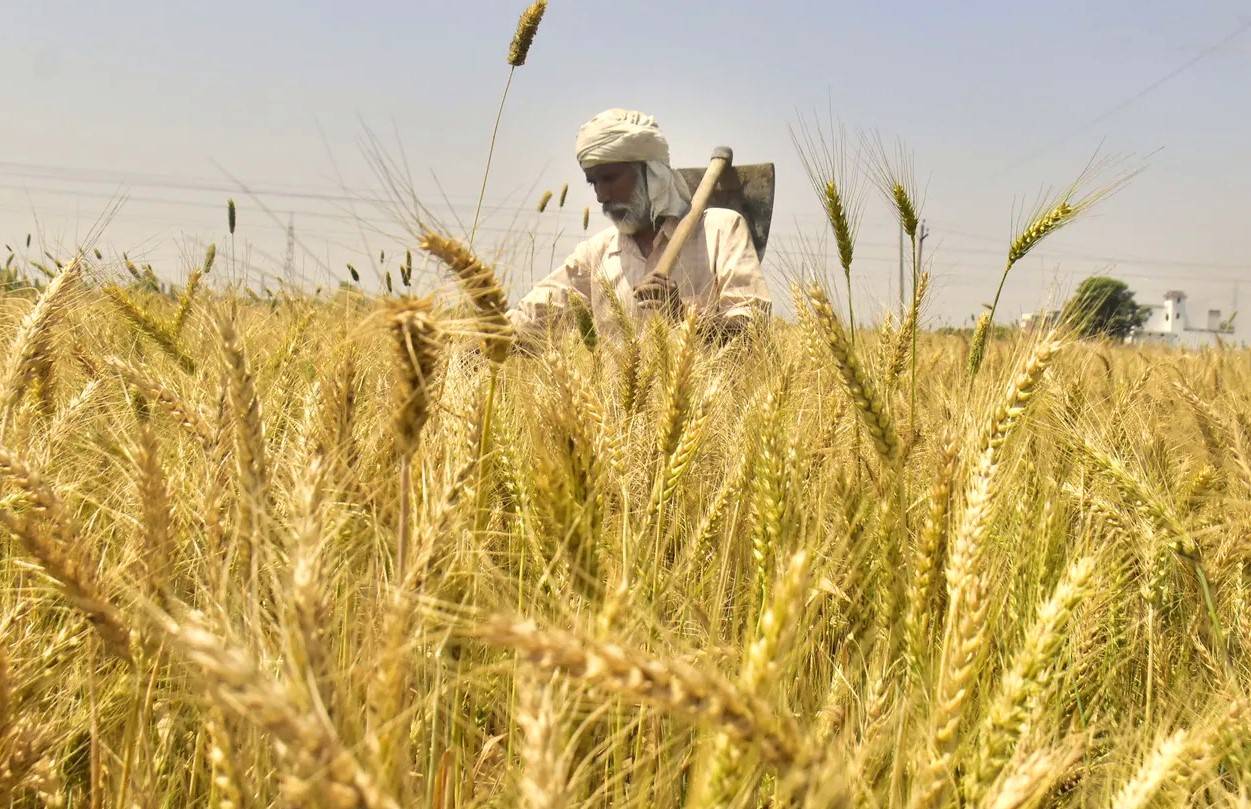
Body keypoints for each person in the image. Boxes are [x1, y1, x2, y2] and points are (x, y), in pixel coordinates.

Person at [508, 108, 771, 343]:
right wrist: (480, 339)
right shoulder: (596, 253)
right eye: (593, 182)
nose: (601, 195)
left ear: (652, 173)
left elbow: (753, 330)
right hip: (618, 399)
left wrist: (682, 315)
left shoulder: (720, 230)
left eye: (610, 178)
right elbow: (533, 317)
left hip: (705, 397)